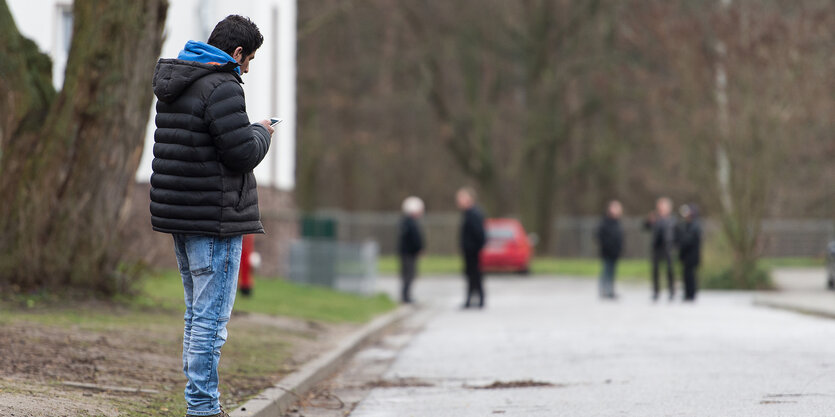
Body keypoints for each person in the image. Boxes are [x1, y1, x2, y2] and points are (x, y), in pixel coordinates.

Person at [151, 15, 272, 417]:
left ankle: (199, 404)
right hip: (215, 220)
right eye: (249, 60)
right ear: (236, 53)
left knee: (195, 315)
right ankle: (203, 408)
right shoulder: (223, 86)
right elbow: (240, 153)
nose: (248, 70)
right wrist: (262, 132)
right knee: (211, 322)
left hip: (182, 218)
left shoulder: (178, 81)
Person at [457, 187, 487, 309]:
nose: (458, 201)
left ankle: (477, 299)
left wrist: (476, 247)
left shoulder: (473, 213)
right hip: (470, 250)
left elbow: (479, 233)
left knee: (475, 275)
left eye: (461, 198)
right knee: (472, 275)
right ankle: (472, 299)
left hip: (472, 250)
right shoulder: (469, 213)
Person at [644, 197, 676, 301]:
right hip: (657, 247)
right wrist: (649, 220)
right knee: (655, 270)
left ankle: (672, 291)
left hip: (668, 247)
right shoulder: (655, 219)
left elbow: (677, 234)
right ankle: (656, 291)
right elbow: (645, 227)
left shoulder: (672, 220)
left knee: (670, 270)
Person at [398, 196, 425, 304]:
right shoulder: (410, 223)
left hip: (407, 252)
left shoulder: (405, 222)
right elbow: (415, 238)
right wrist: (419, 248)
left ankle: (406, 295)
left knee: (407, 274)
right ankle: (406, 296)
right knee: (409, 274)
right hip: (409, 253)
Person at [596, 200, 624, 299]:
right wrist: (607, 246)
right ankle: (603, 290)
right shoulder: (605, 221)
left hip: (615, 252)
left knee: (612, 272)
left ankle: (610, 290)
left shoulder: (617, 222)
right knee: (605, 271)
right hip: (607, 252)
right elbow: (599, 236)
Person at [675, 204, 702, 302]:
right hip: (686, 256)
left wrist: (681, 241)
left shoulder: (695, 226)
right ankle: (687, 293)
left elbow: (689, 240)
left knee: (691, 276)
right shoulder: (686, 225)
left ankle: (691, 294)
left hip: (692, 256)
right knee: (686, 275)